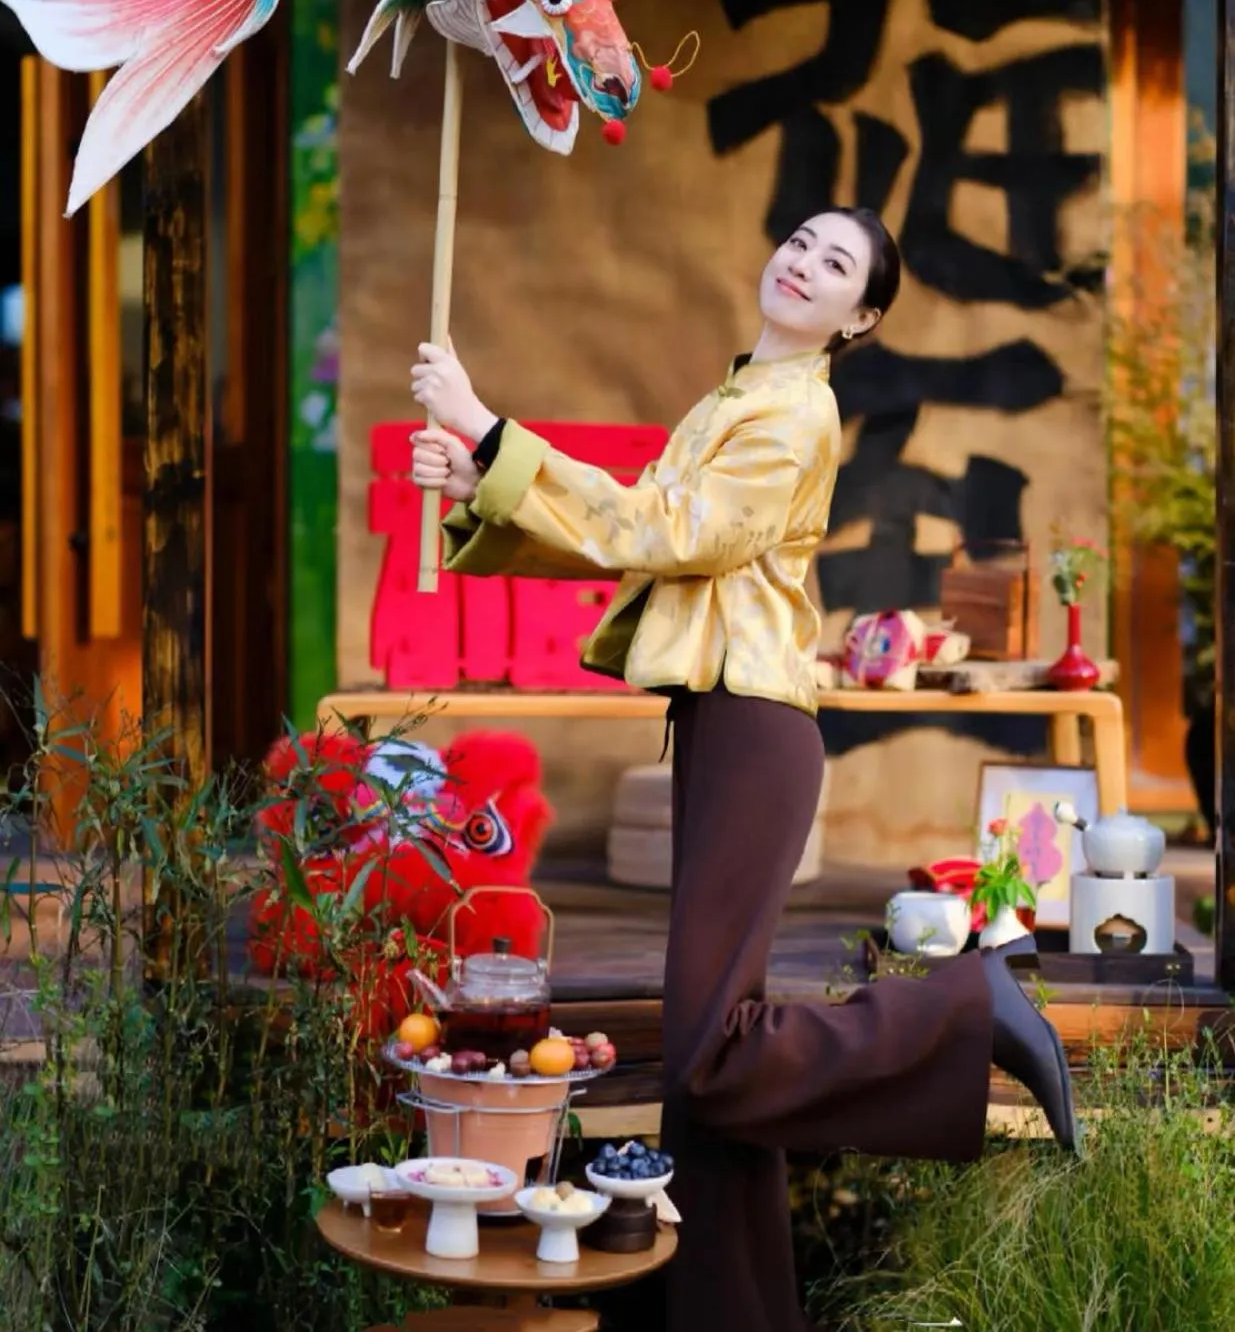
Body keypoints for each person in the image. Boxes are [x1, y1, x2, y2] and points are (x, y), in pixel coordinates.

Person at [408, 207, 1077, 1332]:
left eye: (835, 264)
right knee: (708, 1089)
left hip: (755, 729)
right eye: (800, 241)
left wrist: (486, 426)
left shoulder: (796, 411)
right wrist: (484, 474)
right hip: (723, 726)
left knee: (713, 1055)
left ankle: (968, 1004)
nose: (802, 263)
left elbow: (671, 529)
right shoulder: (736, 395)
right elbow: (633, 535)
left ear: (859, 317)